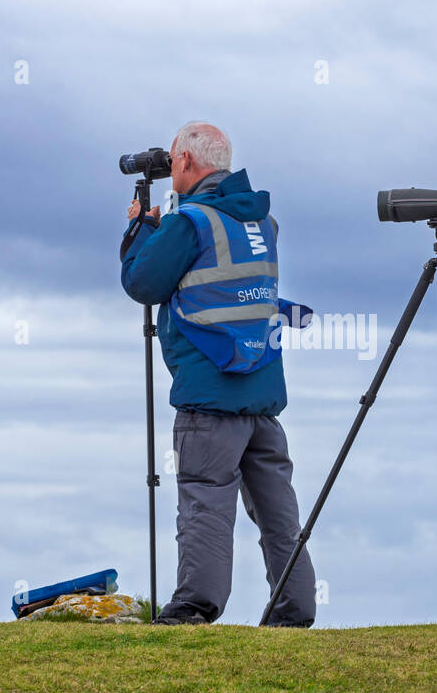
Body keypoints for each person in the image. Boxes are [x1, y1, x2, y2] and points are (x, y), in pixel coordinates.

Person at [120, 122, 316, 626]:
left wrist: (144, 227)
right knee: (278, 514)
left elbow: (142, 282)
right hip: (263, 390)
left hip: (209, 393)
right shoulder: (261, 222)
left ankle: (193, 608)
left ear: (185, 161)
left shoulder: (191, 223)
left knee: (206, 503)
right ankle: (293, 611)